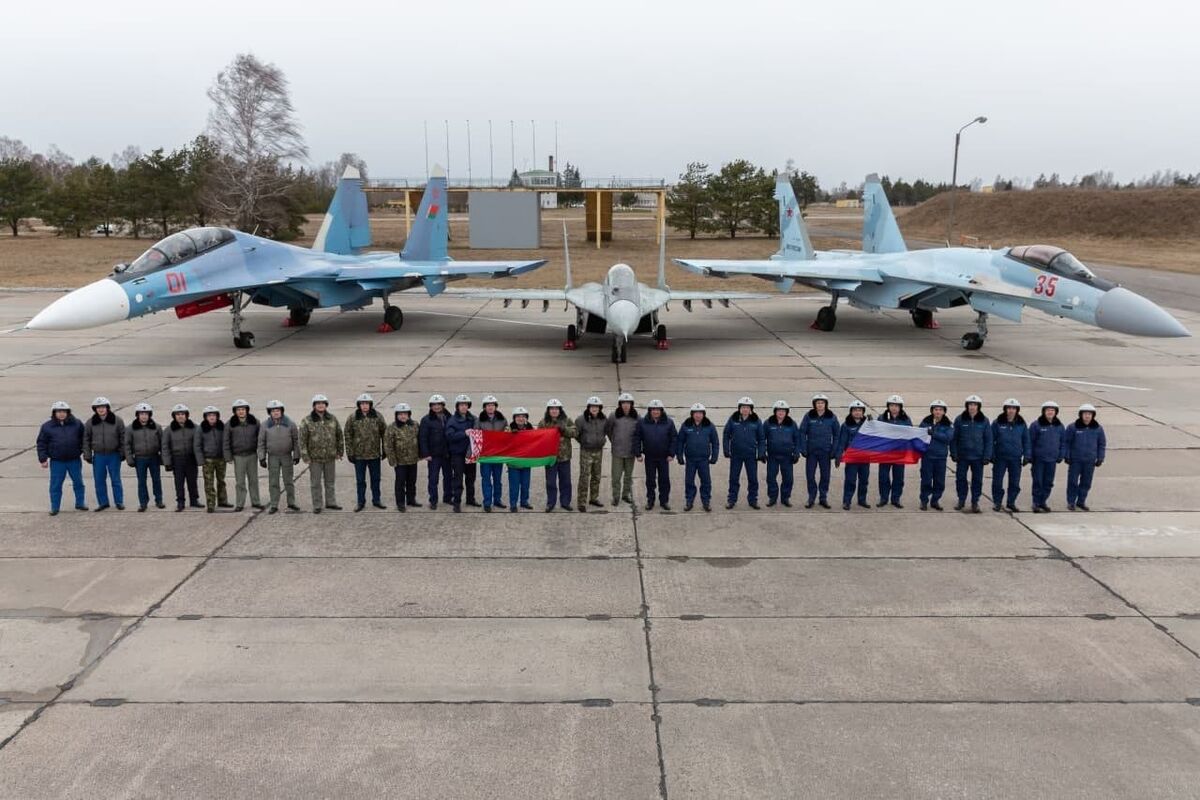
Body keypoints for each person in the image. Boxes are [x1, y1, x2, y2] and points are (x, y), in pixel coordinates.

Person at [36, 400, 87, 515]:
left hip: (74, 460)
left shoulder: (77, 424)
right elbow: (41, 443)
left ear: (68, 412)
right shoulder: (47, 426)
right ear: (54, 413)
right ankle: (55, 507)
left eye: (64, 411)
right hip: (57, 461)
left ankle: (80, 503)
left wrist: (85, 452)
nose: (61, 414)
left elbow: (84, 439)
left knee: (78, 482)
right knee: (55, 485)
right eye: (58, 411)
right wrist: (43, 459)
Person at [300, 394, 344, 513]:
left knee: (330, 482)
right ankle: (317, 505)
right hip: (314, 459)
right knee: (316, 483)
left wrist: (340, 451)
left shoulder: (332, 419)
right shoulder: (307, 421)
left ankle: (331, 502)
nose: (320, 405)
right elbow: (302, 440)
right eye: (318, 403)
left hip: (330, 457)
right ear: (314, 406)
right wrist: (305, 456)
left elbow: (339, 435)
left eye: (323, 403)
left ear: (326, 405)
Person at [345, 393, 387, 512]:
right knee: (360, 480)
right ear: (359, 405)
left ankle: (376, 500)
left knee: (376, 479)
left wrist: (385, 450)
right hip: (359, 456)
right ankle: (360, 502)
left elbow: (385, 433)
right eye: (362, 404)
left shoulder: (377, 416)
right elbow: (347, 435)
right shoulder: (352, 417)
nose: (364, 406)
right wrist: (350, 452)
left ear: (370, 405)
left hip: (374, 454)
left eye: (367, 403)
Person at [257, 399, 301, 514]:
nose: (276, 412)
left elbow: (296, 440)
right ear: (269, 412)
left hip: (286, 456)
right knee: (273, 482)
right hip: (273, 457)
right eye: (273, 410)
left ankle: (291, 502)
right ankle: (274, 504)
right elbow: (261, 442)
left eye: (278, 410)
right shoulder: (265, 425)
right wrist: (262, 457)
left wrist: (296, 455)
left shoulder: (290, 424)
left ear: (282, 411)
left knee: (288, 481)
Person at [82, 396, 125, 511]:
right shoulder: (90, 423)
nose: (101, 409)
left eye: (103, 407)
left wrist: (122, 452)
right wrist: (87, 454)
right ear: (95, 409)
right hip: (99, 456)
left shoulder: (117, 421)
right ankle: (103, 502)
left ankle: (119, 501)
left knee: (115, 479)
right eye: (98, 407)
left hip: (113, 455)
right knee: (99, 480)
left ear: (107, 408)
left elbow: (123, 438)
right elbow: (86, 439)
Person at [951, 394, 993, 513]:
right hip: (962, 456)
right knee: (960, 479)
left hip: (978, 458)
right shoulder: (959, 419)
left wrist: (987, 456)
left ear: (978, 406)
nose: (972, 407)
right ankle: (961, 500)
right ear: (967, 406)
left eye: (975, 405)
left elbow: (988, 440)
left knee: (977, 480)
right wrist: (954, 453)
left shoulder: (984, 421)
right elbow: (954, 438)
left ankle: (975, 502)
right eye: (970, 404)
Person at [634, 399, 677, 511]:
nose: (655, 412)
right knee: (650, 480)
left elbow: (674, 438)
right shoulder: (642, 422)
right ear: (649, 411)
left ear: (661, 410)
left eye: (658, 409)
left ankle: (664, 501)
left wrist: (672, 453)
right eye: (653, 409)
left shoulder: (669, 422)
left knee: (664, 480)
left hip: (664, 457)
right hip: (650, 457)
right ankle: (650, 500)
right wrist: (638, 453)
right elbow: (637, 438)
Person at [675, 402, 719, 512]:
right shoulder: (686, 425)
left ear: (703, 414)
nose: (698, 415)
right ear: (692, 414)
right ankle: (689, 501)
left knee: (706, 481)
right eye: (695, 413)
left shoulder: (710, 426)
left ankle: (706, 501)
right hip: (690, 460)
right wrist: (679, 455)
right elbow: (680, 441)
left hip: (704, 460)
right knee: (689, 481)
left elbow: (715, 442)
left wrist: (714, 456)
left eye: (700, 413)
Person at [799, 393, 840, 509]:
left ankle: (823, 498)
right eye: (818, 403)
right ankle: (811, 497)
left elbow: (837, 434)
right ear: (814, 404)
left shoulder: (832, 417)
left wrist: (834, 449)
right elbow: (802, 432)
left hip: (825, 452)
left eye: (822, 403)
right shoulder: (808, 416)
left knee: (825, 476)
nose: (820, 405)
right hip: (811, 452)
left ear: (826, 405)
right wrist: (803, 448)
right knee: (810, 476)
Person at [724, 396, 766, 509]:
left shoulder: (756, 421)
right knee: (733, 478)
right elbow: (726, 435)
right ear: (739, 408)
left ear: (751, 409)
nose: (745, 409)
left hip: (751, 455)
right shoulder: (733, 420)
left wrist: (761, 452)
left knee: (752, 479)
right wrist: (726, 450)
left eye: (747, 407)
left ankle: (753, 500)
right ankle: (731, 499)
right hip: (736, 454)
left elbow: (762, 438)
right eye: (743, 407)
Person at [991, 398, 1032, 512]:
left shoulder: (1021, 424)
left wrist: (1027, 455)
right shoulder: (997, 422)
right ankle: (997, 502)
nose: (1011, 410)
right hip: (1000, 458)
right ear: (1005, 409)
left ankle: (1011, 502)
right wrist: (991, 454)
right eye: (1009, 408)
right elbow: (990, 439)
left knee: (1014, 482)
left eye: (1013, 408)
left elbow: (1026, 440)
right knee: (997, 481)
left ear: (1017, 410)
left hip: (1015, 458)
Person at [1065, 403, 1107, 511]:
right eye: (1085, 414)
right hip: (1075, 460)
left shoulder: (1098, 429)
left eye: (1089, 414)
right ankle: (1071, 502)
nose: (1087, 416)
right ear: (1081, 415)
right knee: (1073, 481)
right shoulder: (1072, 427)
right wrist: (1067, 455)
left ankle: (1081, 501)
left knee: (1086, 482)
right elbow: (1067, 443)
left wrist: (1100, 457)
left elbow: (1102, 444)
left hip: (1090, 461)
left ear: (1093, 415)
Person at [223, 399, 263, 511]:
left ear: (247, 410)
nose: (241, 412)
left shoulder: (255, 422)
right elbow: (226, 441)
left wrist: (261, 454)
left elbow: (260, 439)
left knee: (253, 480)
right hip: (238, 456)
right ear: (235, 411)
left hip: (252, 455)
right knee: (240, 481)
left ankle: (256, 501)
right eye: (238, 410)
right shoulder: (230, 424)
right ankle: (240, 503)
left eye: (243, 409)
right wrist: (228, 457)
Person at [124, 402, 165, 512]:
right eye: (141, 414)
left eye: (146, 414)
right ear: (137, 415)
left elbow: (163, 444)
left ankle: (159, 500)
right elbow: (127, 445)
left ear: (149, 415)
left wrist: (163, 458)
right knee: (141, 481)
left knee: (156, 480)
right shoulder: (130, 428)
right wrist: (129, 458)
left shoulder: (157, 427)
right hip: (140, 458)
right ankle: (143, 502)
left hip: (154, 457)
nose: (144, 416)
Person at [161, 404, 202, 511]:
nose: (180, 416)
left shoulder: (195, 428)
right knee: (179, 482)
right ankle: (180, 502)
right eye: (178, 414)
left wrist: (199, 459)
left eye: (182, 414)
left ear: (187, 415)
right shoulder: (169, 430)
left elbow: (199, 444)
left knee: (192, 481)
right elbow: (165, 447)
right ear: (174, 416)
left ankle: (194, 500)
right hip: (177, 459)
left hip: (191, 459)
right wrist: (167, 462)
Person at [539, 399, 577, 512]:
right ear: (548, 410)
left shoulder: (567, 420)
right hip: (550, 458)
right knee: (550, 482)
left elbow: (575, 433)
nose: (554, 411)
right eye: (552, 409)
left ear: (560, 410)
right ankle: (551, 503)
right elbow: (538, 437)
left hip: (564, 457)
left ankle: (565, 502)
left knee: (565, 481)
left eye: (556, 409)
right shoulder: (543, 423)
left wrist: (564, 429)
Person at [1029, 401, 1067, 513]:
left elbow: (1063, 442)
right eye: (1048, 410)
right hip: (1039, 459)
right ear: (1043, 412)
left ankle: (1043, 501)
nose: (1050, 412)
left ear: (1056, 412)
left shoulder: (1059, 426)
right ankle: (1036, 503)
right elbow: (1030, 442)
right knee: (1038, 481)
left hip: (1052, 460)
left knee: (1048, 482)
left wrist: (1061, 455)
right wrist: (1030, 456)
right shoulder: (1036, 425)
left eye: (1052, 410)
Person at [762, 400, 801, 507]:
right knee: (771, 478)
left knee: (788, 479)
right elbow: (761, 439)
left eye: (783, 411)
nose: (781, 413)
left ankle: (785, 498)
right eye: (779, 410)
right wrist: (762, 452)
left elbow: (797, 439)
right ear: (775, 411)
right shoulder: (768, 423)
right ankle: (772, 498)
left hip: (787, 457)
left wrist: (797, 452)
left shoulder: (792, 424)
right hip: (772, 456)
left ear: (786, 412)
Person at [834, 400, 871, 510]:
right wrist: (838, 455)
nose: (857, 412)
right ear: (851, 412)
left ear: (863, 412)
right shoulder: (846, 425)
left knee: (864, 480)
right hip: (852, 458)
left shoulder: (868, 424)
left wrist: (873, 422)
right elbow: (842, 442)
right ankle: (847, 501)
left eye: (860, 410)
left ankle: (862, 500)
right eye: (855, 410)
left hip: (865, 458)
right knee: (850, 480)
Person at [445, 394, 479, 513]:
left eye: (465, 405)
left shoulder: (474, 419)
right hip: (457, 454)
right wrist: (463, 433)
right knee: (458, 479)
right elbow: (449, 436)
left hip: (470, 454)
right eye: (461, 405)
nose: (464, 407)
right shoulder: (452, 421)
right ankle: (457, 502)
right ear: (457, 406)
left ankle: (470, 499)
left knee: (471, 478)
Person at [384, 402, 420, 512]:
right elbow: (388, 445)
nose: (403, 416)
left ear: (409, 414)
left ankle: (411, 499)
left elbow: (420, 440)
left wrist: (421, 455)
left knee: (412, 482)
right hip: (400, 462)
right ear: (396, 415)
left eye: (405, 414)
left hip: (413, 460)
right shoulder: (392, 428)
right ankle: (400, 503)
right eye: (400, 414)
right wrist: (392, 460)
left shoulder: (414, 425)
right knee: (400, 483)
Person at [194, 405, 231, 513]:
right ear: (205, 417)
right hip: (208, 460)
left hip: (220, 459)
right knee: (209, 482)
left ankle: (223, 500)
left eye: (214, 415)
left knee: (221, 481)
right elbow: (197, 445)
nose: (212, 417)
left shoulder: (222, 427)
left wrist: (227, 456)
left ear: (217, 416)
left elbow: (226, 442)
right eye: (209, 415)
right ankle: (211, 504)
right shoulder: (200, 429)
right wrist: (200, 460)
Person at [918, 400, 954, 511]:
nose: (938, 412)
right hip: (927, 457)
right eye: (935, 409)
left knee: (939, 481)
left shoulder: (948, 424)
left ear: (944, 412)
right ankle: (924, 501)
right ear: (932, 411)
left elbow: (947, 438)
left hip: (940, 457)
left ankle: (935, 501)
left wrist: (933, 433)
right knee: (926, 480)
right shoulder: (925, 422)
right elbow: (919, 435)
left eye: (940, 410)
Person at [418, 394, 452, 509]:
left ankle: (447, 498)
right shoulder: (426, 420)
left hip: (447, 454)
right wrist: (426, 454)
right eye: (434, 405)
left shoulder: (450, 417)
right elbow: (422, 438)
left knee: (448, 477)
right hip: (433, 455)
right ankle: (433, 500)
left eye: (439, 404)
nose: (436, 407)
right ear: (431, 406)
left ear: (443, 405)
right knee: (433, 479)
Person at [877, 395, 911, 508]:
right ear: (888, 406)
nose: (894, 408)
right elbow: (876, 433)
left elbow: (910, 434)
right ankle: (884, 498)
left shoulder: (906, 419)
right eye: (892, 405)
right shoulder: (882, 418)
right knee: (883, 477)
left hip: (899, 454)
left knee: (898, 478)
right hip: (885, 453)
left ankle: (896, 499)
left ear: (900, 407)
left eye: (896, 405)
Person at [604, 392, 638, 506]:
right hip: (617, 452)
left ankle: (625, 494)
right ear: (620, 404)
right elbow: (608, 429)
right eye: (623, 402)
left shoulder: (636, 417)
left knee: (628, 476)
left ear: (631, 404)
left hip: (630, 452)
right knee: (616, 476)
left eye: (628, 403)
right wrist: (614, 441)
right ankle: (616, 496)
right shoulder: (613, 416)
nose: (626, 405)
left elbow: (639, 433)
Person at [575, 396, 607, 512]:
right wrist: (584, 442)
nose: (594, 408)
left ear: (600, 408)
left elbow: (606, 431)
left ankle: (594, 498)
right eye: (592, 406)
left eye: (597, 406)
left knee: (596, 476)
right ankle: (581, 502)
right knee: (584, 477)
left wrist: (602, 441)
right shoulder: (581, 420)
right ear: (588, 407)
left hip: (598, 451)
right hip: (586, 452)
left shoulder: (603, 419)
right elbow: (576, 434)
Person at [476, 395, 508, 511]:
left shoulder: (502, 420)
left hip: (498, 455)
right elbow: (476, 438)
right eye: (488, 405)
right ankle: (487, 502)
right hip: (485, 456)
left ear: (495, 407)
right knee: (486, 480)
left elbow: (507, 435)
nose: (490, 407)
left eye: (492, 405)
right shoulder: (479, 420)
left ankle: (497, 500)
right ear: (484, 407)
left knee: (497, 479)